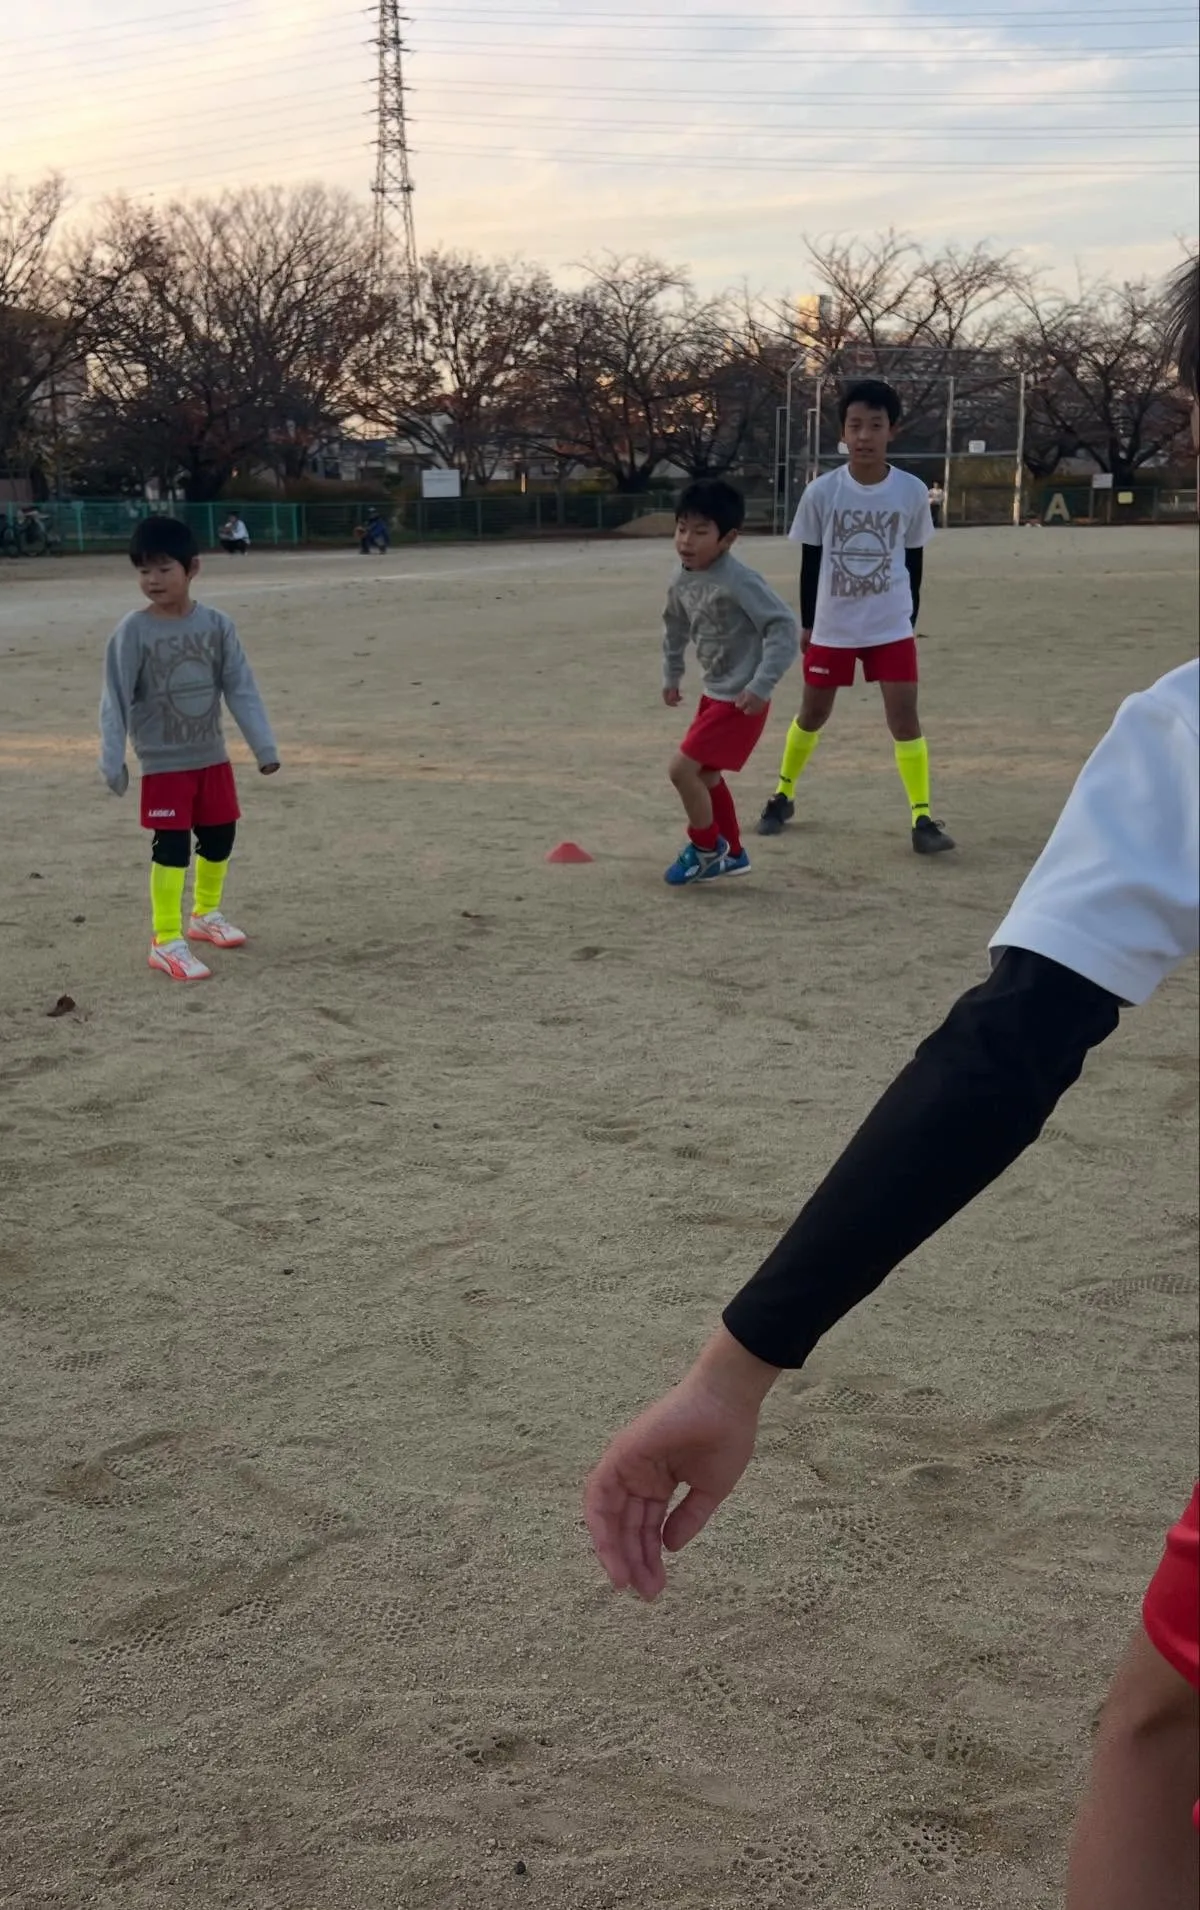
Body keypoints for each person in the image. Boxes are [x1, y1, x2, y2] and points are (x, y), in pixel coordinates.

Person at [586, 257, 1200, 1910]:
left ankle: (881, 798)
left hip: (902, 655)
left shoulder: (1187, 733)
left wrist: (735, 1364)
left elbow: (1008, 1047)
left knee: (1161, 1736)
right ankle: (800, 796)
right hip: (833, 649)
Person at [757, 379, 952, 855]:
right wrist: (809, 623)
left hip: (890, 625)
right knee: (812, 714)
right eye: (855, 425)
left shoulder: (910, 491)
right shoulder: (822, 492)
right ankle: (782, 794)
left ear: (892, 431)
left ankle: (922, 817)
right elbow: (810, 562)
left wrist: (909, 619)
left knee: (904, 717)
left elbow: (914, 560)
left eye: (876, 425)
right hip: (834, 625)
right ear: (843, 432)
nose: (864, 436)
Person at [98, 514, 281, 983]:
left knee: (220, 837)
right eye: (144, 570)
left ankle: (205, 914)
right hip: (164, 764)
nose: (153, 580)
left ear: (192, 567)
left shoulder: (217, 626)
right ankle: (165, 939)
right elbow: (114, 697)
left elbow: (240, 687)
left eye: (164, 568)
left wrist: (264, 747)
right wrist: (112, 758)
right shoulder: (133, 631)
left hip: (211, 758)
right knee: (172, 848)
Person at [659, 479, 799, 884]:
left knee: (681, 771)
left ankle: (706, 849)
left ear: (728, 538)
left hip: (741, 699)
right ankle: (734, 853)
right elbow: (674, 627)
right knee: (705, 776)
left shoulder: (739, 579)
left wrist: (761, 685)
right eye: (682, 528)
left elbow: (782, 627)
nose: (686, 540)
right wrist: (672, 673)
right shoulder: (681, 577)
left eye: (701, 532)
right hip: (714, 694)